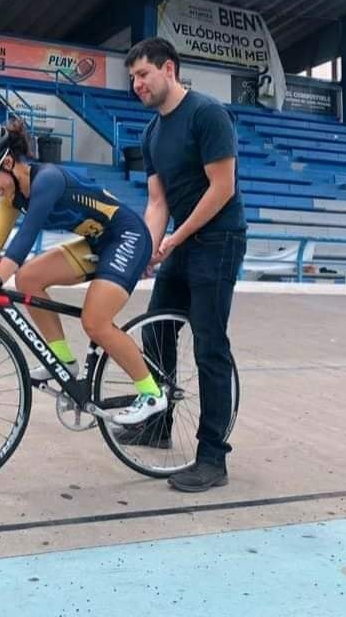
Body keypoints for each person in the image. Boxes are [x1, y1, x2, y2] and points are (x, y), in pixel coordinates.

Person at [0, 117, 165, 425]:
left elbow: (23, 240)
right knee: (28, 278)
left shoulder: (48, 180)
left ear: (8, 162)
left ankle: (151, 393)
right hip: (97, 242)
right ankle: (63, 361)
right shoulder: (12, 195)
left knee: (95, 322)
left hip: (128, 237)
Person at [123, 37, 247, 492]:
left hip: (219, 239)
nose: (137, 84)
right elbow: (157, 202)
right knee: (156, 330)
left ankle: (213, 458)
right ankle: (158, 425)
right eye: (132, 78)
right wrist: (148, 250)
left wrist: (176, 237)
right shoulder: (151, 133)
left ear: (168, 69)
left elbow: (223, 188)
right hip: (184, 241)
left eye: (143, 74)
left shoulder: (207, 113)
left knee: (209, 345)